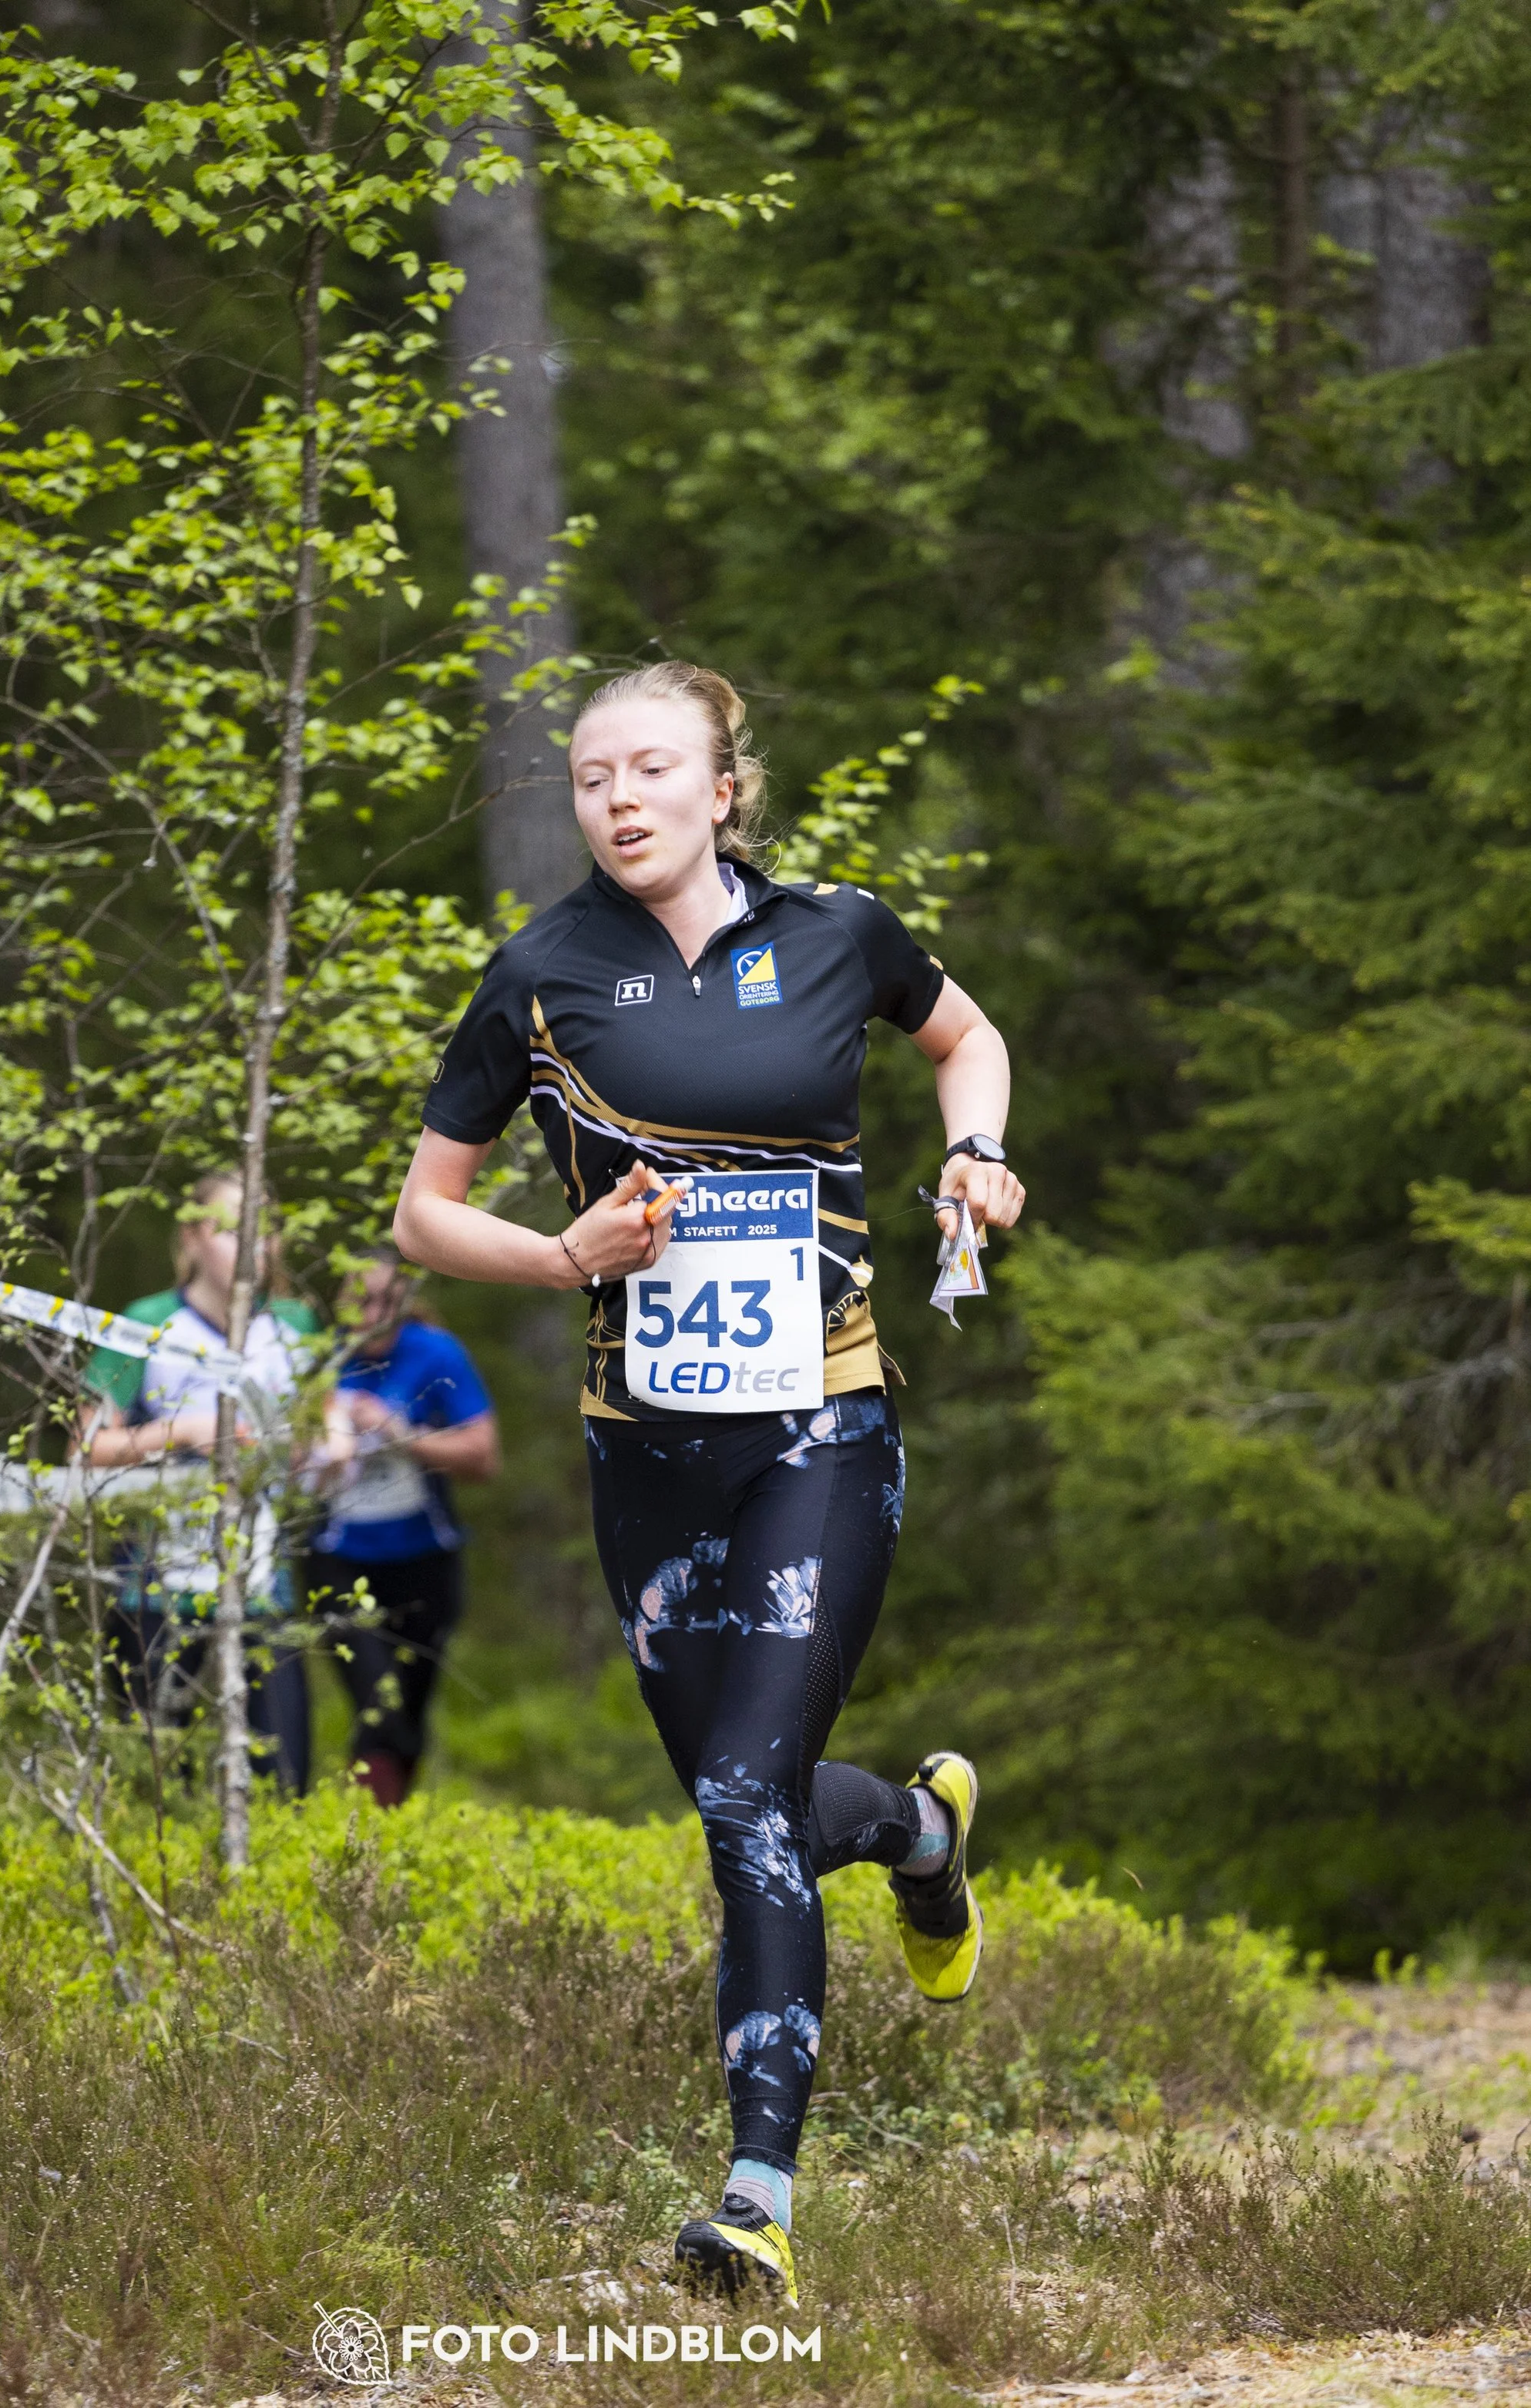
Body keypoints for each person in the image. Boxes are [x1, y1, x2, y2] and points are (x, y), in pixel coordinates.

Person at [392, 661, 1026, 2307]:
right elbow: (421, 1214)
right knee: (739, 1801)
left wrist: (970, 1151)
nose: (617, 796)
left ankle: (754, 2193)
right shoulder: (539, 972)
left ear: (720, 787)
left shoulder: (836, 932)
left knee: (745, 1800)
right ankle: (910, 1826)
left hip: (820, 1422)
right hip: (646, 1451)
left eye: (650, 766)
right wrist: (557, 1252)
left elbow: (966, 1040)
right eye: (592, 773)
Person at [80, 1172, 317, 1788]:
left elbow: (323, 1430)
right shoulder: (144, 1322)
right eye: (231, 1229)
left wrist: (327, 1445)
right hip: (154, 1585)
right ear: (192, 1236)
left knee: (284, 1772)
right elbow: (87, 1445)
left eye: (264, 1231)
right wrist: (183, 1431)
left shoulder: (296, 1324)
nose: (251, 1245)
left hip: (265, 1580)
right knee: (158, 1778)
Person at [303, 1247, 499, 1806]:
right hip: (337, 1557)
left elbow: (484, 1456)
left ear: (407, 1300)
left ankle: (386, 1825)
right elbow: (280, 1463)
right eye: (362, 1300)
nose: (374, 1314)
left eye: (388, 1300)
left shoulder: (435, 1353)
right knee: (377, 1699)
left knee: (409, 1707)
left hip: (424, 1559)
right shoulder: (317, 1358)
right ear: (340, 1300)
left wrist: (399, 1433)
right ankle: (365, 1827)